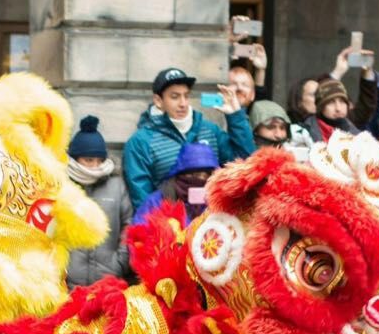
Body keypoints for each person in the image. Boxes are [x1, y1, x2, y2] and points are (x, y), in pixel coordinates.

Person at [123, 68, 248, 211]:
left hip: (211, 225)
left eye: (186, 96)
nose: (183, 103)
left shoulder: (210, 131)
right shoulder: (140, 142)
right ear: (158, 100)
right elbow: (142, 201)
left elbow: (244, 167)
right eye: (175, 97)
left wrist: (236, 118)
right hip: (169, 225)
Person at [63, 116, 132, 288]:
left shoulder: (117, 185)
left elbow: (128, 225)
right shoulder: (61, 186)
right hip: (68, 284)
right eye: (88, 160)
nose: (95, 167)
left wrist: (120, 261)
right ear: (75, 159)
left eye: (99, 160)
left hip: (108, 281)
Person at [133, 142, 218, 225]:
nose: (199, 179)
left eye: (205, 175)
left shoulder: (221, 202)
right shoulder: (156, 201)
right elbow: (139, 232)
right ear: (180, 174)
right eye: (191, 174)